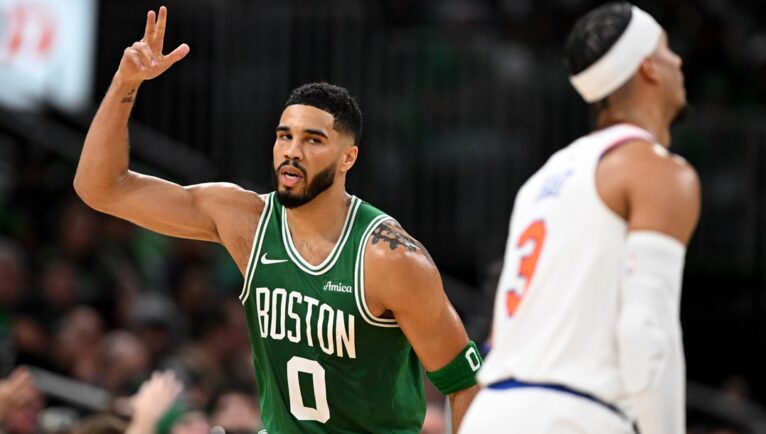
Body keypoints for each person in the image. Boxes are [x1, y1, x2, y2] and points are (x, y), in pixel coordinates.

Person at [73, 6, 480, 433]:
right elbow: (101, 188)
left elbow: (465, 384)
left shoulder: (390, 257)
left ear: (348, 158)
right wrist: (126, 83)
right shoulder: (245, 221)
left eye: (312, 140)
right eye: (284, 136)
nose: (292, 151)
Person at [459, 2, 699, 434]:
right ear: (648, 67)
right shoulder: (658, 171)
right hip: (573, 414)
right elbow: (647, 329)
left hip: (491, 411)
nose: (678, 60)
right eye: (667, 49)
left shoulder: (541, 180)